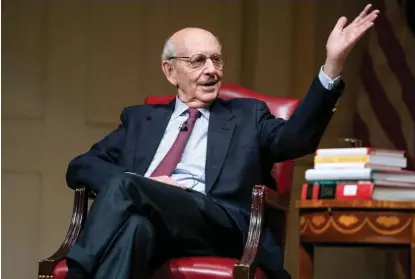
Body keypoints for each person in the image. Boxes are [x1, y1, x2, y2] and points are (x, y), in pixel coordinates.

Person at [65, 5, 379, 279]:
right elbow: (81, 166)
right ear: (170, 71)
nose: (211, 71)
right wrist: (147, 186)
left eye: (216, 60)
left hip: (219, 226)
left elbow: (295, 140)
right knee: (135, 229)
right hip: (158, 226)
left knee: (126, 185)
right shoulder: (140, 119)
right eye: (198, 61)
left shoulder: (247, 116)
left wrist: (332, 65)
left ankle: (77, 272)